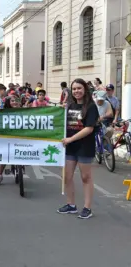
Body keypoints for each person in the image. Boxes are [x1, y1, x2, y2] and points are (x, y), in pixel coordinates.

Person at [58, 78, 99, 219]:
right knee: (67, 176)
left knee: (85, 177)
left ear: (85, 90)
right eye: (74, 89)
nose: (76, 91)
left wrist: (71, 139)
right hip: (70, 147)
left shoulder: (91, 107)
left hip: (84, 146)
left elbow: (89, 128)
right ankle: (71, 205)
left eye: (79, 88)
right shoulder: (69, 106)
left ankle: (87, 208)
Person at [0, 94, 22, 186]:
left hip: (19, 136)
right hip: (8, 137)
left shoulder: (23, 111)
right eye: (12, 101)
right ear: (8, 102)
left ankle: (21, 166)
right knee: (5, 156)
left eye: (16, 101)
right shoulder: (4, 112)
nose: (14, 102)